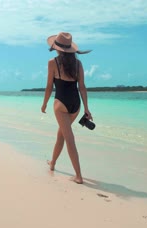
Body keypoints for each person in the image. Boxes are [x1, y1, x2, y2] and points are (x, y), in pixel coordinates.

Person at [41, 32, 92, 184]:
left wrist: (44, 103)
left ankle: (78, 176)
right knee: (61, 135)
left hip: (61, 104)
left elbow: (49, 86)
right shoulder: (78, 64)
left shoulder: (53, 62)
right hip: (76, 104)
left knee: (69, 139)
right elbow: (82, 87)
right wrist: (86, 109)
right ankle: (53, 163)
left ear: (57, 48)